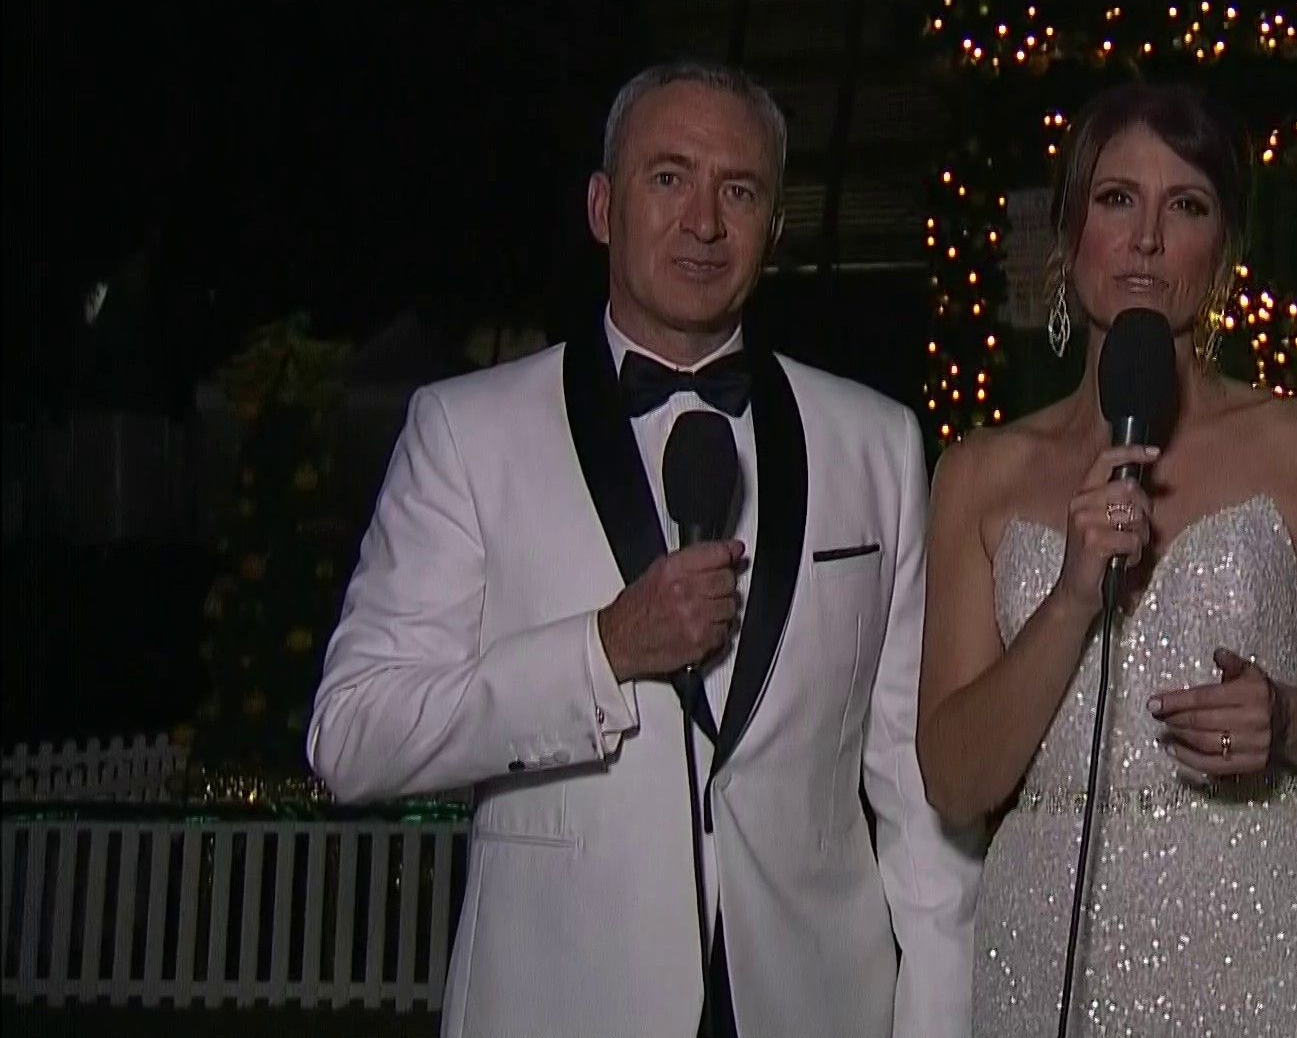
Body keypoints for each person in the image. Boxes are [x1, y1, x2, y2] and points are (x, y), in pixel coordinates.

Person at [308, 61, 981, 1038]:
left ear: (776, 228)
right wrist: (603, 653)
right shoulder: (466, 432)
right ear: (601, 207)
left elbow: (917, 790)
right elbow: (352, 737)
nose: (703, 222)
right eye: (669, 178)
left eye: (738, 190)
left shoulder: (876, 441)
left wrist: (937, 1018)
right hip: (558, 1004)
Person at [917, 81, 1297, 1036]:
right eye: (1118, 199)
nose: (1148, 239)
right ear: (1069, 232)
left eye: (1187, 205)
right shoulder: (979, 474)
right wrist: (1071, 596)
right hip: (1053, 942)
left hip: (1279, 937)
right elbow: (954, 782)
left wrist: (1290, 722)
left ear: (1224, 250)